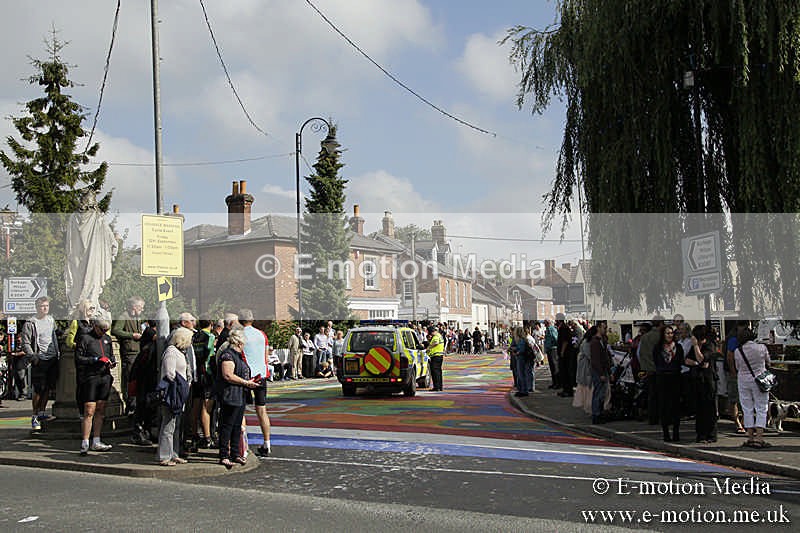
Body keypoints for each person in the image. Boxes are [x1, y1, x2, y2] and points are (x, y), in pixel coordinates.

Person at [216, 328, 258, 469]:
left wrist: (249, 381)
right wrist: (246, 382)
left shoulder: (237, 355)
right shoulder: (228, 355)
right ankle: (224, 455)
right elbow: (228, 375)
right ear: (239, 342)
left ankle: (235, 453)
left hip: (239, 395)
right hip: (230, 395)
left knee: (236, 425)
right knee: (227, 425)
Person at [74, 318, 116, 455]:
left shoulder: (107, 339)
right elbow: (79, 358)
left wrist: (112, 362)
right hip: (90, 376)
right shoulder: (85, 338)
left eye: (106, 330)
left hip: (104, 376)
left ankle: (96, 440)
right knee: (89, 410)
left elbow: (111, 355)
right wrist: (95, 360)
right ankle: (85, 441)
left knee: (101, 409)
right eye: (102, 330)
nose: (103, 332)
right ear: (95, 327)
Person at [20, 296, 60, 430]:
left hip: (52, 358)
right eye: (42, 306)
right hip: (40, 358)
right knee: (38, 388)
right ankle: (35, 415)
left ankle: (42, 411)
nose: (45, 308)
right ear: (37, 307)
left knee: (48, 387)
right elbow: (25, 343)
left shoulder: (51, 320)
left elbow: (54, 336)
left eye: (47, 306)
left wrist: (57, 353)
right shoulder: (30, 323)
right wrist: (33, 356)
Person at [157, 327, 193, 466]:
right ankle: (164, 456)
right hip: (172, 394)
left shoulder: (180, 352)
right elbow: (169, 373)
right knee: (168, 425)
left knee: (176, 426)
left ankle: (174, 453)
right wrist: (182, 384)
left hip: (179, 393)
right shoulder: (171, 352)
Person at [239, 309, 272, 459]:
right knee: (262, 410)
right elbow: (266, 356)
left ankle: (243, 446)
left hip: (246, 375)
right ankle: (267, 443)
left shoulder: (240, 335)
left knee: (241, 410)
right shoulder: (262, 334)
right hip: (261, 375)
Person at [734, 327, 772, 448]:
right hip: (760, 380)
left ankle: (750, 437)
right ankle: (759, 438)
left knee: (747, 408)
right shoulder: (761, 348)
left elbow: (737, 366)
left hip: (743, 381)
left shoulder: (737, 350)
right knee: (761, 407)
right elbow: (768, 362)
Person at [111, 296, 145, 414]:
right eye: (140, 307)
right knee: (130, 378)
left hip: (137, 351)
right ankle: (130, 405)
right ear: (134, 307)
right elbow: (115, 330)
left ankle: (135, 405)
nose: (142, 309)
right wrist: (132, 335)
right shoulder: (123, 317)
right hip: (129, 352)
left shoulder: (137, 318)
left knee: (137, 379)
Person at [685, 325, 718, 443]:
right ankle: (701, 434)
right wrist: (697, 363)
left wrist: (695, 347)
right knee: (699, 409)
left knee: (709, 408)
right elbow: (687, 360)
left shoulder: (709, 345)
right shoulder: (695, 347)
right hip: (696, 380)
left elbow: (702, 359)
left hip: (708, 381)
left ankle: (711, 434)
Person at [189, 318, 217, 450]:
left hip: (196, 373)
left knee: (195, 404)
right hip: (207, 373)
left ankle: (194, 434)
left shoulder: (194, 336)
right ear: (211, 324)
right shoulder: (210, 336)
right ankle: (207, 437)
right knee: (206, 407)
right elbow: (209, 353)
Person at [654, 325, 684, 442]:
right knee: (664, 406)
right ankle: (666, 433)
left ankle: (676, 432)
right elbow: (656, 362)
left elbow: (680, 361)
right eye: (667, 333)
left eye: (671, 333)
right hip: (662, 378)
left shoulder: (678, 347)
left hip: (675, 378)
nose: (669, 335)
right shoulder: (658, 348)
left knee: (676, 407)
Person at [638, 316, 664, 425]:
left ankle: (652, 418)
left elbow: (640, 353)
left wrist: (644, 366)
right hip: (660, 369)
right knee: (662, 395)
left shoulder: (644, 337)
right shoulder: (660, 337)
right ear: (661, 324)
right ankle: (661, 417)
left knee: (651, 395)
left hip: (648, 369)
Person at [725, 323, 747, 434]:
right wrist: (733, 372)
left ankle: (743, 422)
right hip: (734, 373)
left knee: (744, 399)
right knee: (734, 398)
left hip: (744, 373)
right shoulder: (733, 340)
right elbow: (729, 357)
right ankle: (738, 422)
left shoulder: (746, 340)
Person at [589, 322, 610, 424]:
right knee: (598, 393)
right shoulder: (595, 342)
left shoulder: (602, 340)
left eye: (606, 328)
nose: (605, 330)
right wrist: (601, 373)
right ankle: (596, 414)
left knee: (602, 393)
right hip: (598, 371)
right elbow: (596, 360)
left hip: (603, 370)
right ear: (598, 328)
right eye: (603, 328)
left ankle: (599, 413)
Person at [556, 313, 576, 398]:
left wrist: (562, 352)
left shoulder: (563, 328)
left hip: (566, 354)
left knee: (566, 372)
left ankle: (568, 390)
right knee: (564, 372)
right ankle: (565, 389)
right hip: (567, 353)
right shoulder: (564, 327)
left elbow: (565, 341)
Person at [511, 327, 532, 397]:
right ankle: (521, 390)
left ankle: (524, 390)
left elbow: (521, 350)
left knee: (521, 374)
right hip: (520, 358)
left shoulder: (521, 340)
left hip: (521, 358)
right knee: (520, 374)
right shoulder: (521, 339)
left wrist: (516, 352)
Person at [428, 326, 445, 391]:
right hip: (439, 355)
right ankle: (440, 387)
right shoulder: (439, 335)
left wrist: (429, 347)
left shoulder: (436, 336)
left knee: (435, 372)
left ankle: (436, 387)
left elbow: (436, 342)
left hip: (436, 356)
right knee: (438, 372)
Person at [543, 319, 559, 390]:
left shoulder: (551, 329)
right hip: (550, 349)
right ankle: (554, 382)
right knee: (552, 367)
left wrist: (552, 344)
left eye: (545, 323)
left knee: (554, 366)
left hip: (552, 349)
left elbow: (555, 338)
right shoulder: (548, 329)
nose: (544, 324)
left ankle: (557, 383)